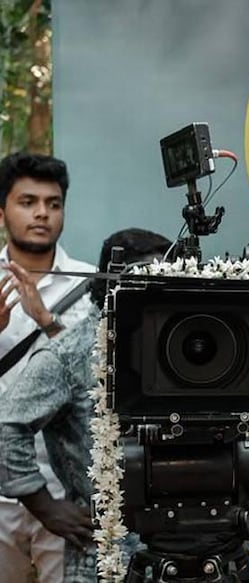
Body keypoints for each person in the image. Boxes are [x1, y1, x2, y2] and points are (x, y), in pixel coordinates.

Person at [0, 228, 171, 582]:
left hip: (181, 547)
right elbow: (5, 425)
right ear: (113, 287)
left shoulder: (180, 350)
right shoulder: (72, 353)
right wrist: (45, 507)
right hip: (104, 554)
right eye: (145, 282)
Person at [0, 151, 95, 583]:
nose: (42, 213)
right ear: (2, 210)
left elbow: (100, 384)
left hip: (66, 490)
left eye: (53, 204)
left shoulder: (91, 284)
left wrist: (49, 324)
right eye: (27, 201)